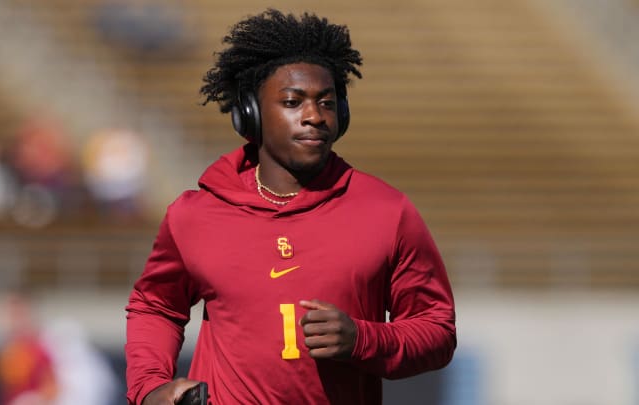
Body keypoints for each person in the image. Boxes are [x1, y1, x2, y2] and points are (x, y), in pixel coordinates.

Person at [125, 9, 456, 405]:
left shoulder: (388, 211)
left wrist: (363, 339)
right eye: (292, 101)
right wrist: (148, 387)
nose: (314, 116)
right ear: (250, 113)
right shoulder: (194, 214)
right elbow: (154, 306)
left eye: (326, 103)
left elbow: (437, 331)